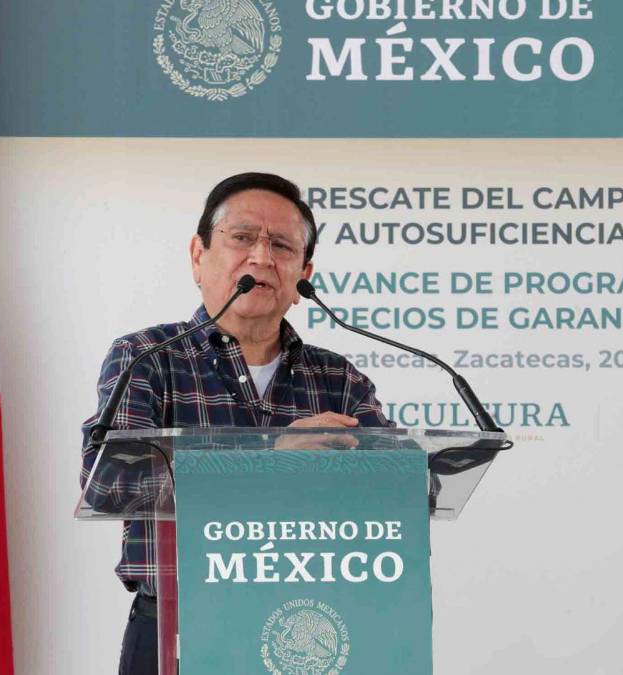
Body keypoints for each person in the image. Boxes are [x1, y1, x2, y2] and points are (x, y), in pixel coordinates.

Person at [79, 172, 391, 675]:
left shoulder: (338, 379)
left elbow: (403, 490)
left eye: (282, 246)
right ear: (198, 256)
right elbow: (111, 484)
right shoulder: (146, 358)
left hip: (311, 628)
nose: (262, 257)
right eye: (242, 237)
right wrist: (268, 461)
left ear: (303, 276)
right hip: (176, 627)